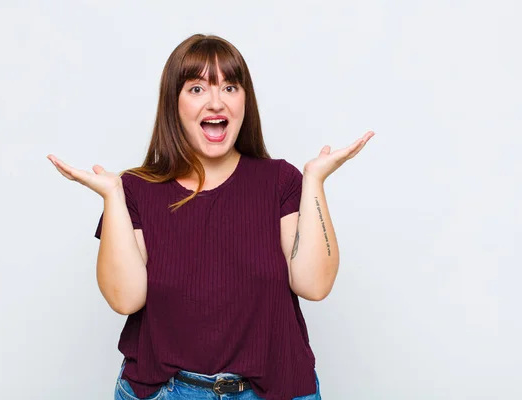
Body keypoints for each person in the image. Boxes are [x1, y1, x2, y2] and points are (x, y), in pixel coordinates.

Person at [47, 33, 374, 400]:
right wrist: (112, 196)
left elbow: (314, 286)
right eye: (197, 88)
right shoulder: (135, 190)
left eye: (230, 87)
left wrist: (314, 181)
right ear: (174, 103)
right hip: (166, 392)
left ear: (245, 101)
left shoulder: (280, 181)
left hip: (273, 391)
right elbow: (126, 299)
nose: (216, 102)